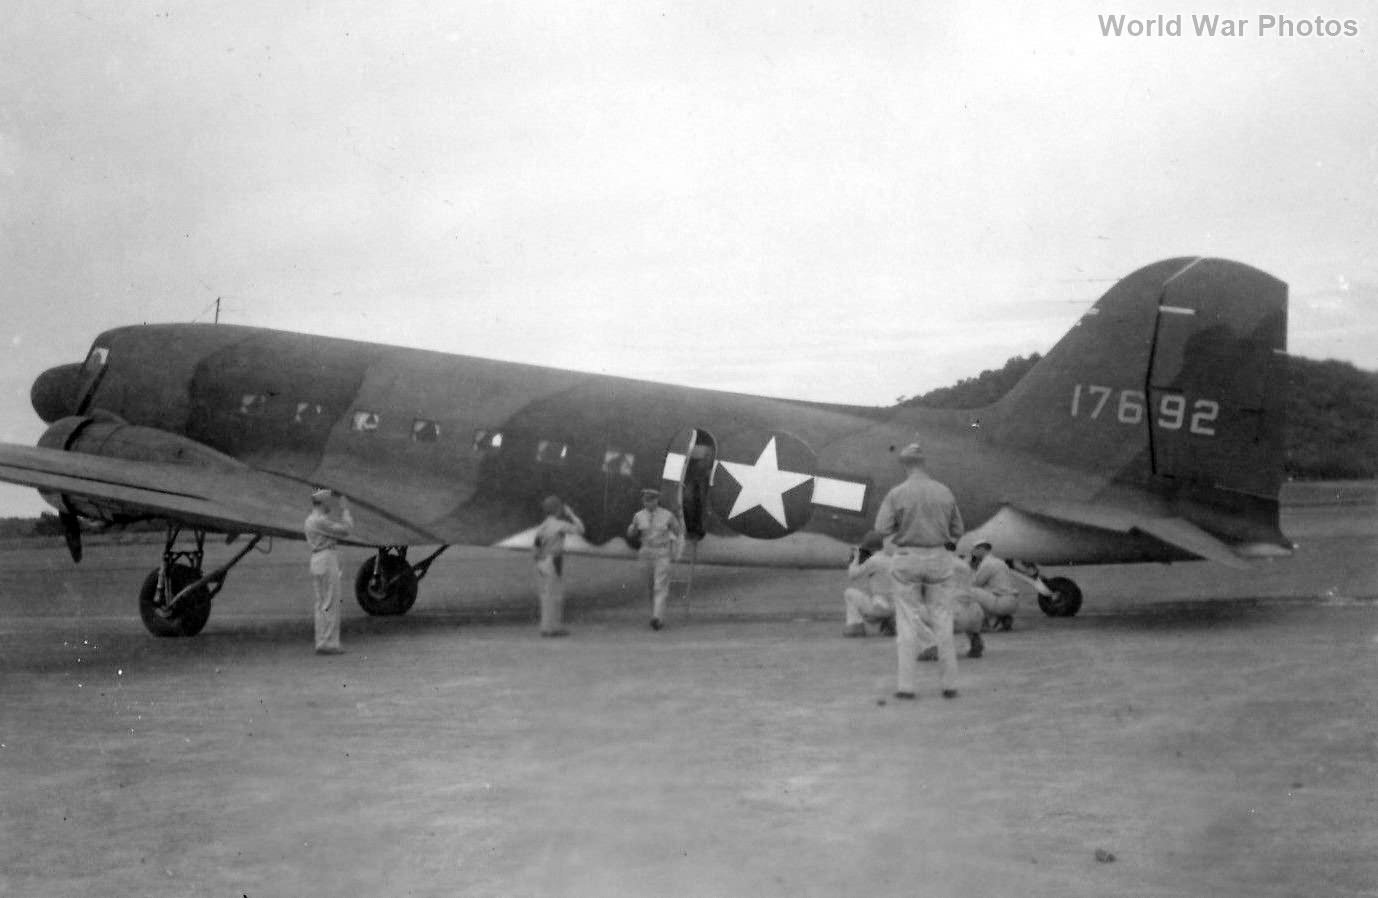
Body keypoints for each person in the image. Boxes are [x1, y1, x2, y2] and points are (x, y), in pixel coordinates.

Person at [873, 441, 965, 700]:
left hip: (907, 558)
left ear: (905, 465)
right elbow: (958, 530)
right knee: (943, 623)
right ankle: (949, 685)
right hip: (939, 558)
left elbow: (882, 528)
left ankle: (907, 687)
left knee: (907, 623)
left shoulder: (897, 493)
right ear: (926, 464)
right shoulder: (944, 492)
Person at [304, 488, 354, 655]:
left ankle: (322, 640)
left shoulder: (310, 520)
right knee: (331, 603)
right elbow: (346, 529)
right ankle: (330, 643)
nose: (330, 507)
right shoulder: (320, 521)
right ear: (323, 503)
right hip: (326, 559)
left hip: (317, 560)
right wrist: (345, 509)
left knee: (321, 604)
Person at [626, 487, 683, 630]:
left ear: (657, 501)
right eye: (645, 500)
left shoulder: (667, 515)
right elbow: (632, 533)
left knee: (660, 585)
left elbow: (677, 530)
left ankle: (657, 618)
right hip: (646, 552)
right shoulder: (639, 516)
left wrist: (673, 545)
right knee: (650, 586)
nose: (648, 503)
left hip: (661, 552)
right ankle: (654, 614)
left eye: (651, 500)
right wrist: (632, 530)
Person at [532, 495, 585, 637]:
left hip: (541, 561)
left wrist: (538, 560)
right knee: (555, 595)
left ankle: (547, 626)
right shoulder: (559, 525)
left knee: (546, 596)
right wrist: (571, 514)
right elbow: (580, 530)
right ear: (558, 509)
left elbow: (536, 546)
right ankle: (552, 628)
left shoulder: (542, 526)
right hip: (554, 560)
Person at [843, 531, 899, 637]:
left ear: (869, 548)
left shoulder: (874, 560)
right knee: (877, 595)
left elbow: (852, 575)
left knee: (849, 593)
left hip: (880, 607)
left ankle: (855, 626)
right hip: (896, 607)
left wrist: (855, 558)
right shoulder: (892, 559)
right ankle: (890, 624)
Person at [969, 540, 1020, 631]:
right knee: (985, 590)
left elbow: (975, 583)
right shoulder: (999, 561)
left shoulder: (987, 564)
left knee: (970, 591)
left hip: (1002, 602)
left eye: (975, 549)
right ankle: (1002, 618)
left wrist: (970, 567)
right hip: (1012, 601)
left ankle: (985, 623)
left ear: (982, 549)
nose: (973, 552)